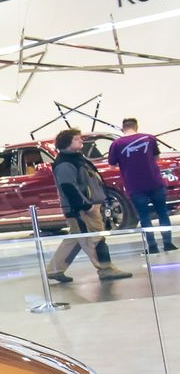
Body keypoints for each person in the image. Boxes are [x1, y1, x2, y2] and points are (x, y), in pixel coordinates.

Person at [47, 129, 134, 283]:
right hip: (81, 210)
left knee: (76, 238)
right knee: (95, 239)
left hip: (87, 207)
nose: (81, 140)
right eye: (76, 139)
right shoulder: (65, 163)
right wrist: (86, 206)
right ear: (67, 143)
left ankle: (55, 269)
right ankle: (106, 269)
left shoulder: (76, 159)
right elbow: (68, 187)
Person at [108, 117, 176, 255]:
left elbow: (112, 165)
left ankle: (152, 246)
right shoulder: (149, 138)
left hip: (134, 185)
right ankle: (168, 243)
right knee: (162, 213)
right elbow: (156, 157)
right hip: (155, 182)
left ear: (123, 128)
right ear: (136, 126)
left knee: (144, 216)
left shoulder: (116, 144)